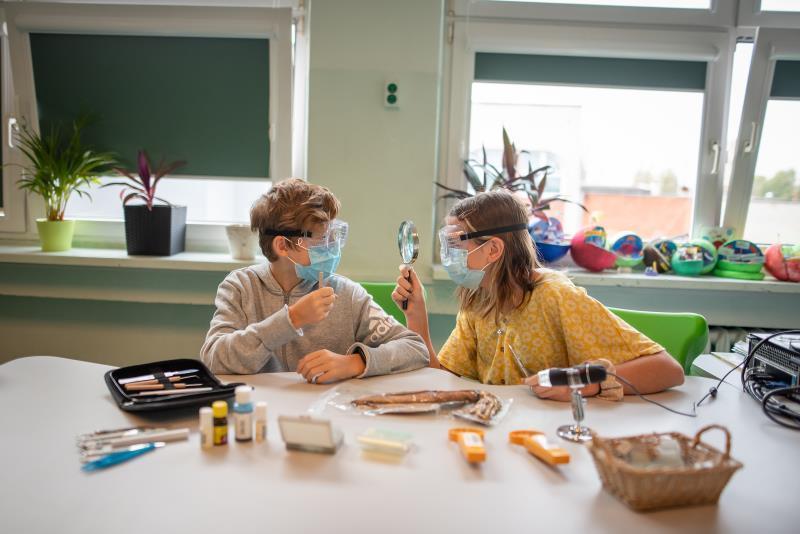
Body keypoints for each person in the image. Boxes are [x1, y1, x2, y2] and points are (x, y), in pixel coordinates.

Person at [391, 189, 684, 402]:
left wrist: (585, 384)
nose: (448, 255)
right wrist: (416, 317)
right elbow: (442, 379)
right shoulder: (478, 299)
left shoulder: (556, 296)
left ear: (493, 249)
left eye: (456, 244)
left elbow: (668, 370)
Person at [201, 178, 429, 383]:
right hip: (261, 407)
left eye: (335, 235)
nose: (333, 248)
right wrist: (292, 319)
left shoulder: (347, 294)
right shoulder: (241, 287)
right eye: (322, 239)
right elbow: (213, 358)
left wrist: (355, 362)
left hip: (329, 409)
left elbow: (415, 348)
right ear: (282, 245)